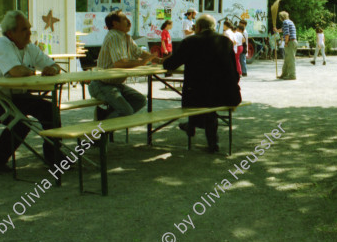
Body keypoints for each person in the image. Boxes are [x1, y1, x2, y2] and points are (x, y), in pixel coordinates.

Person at [0, 10, 63, 172]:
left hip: (17, 96)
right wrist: (32, 71)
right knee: (21, 123)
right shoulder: (2, 44)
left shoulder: (29, 47)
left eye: (29, 28)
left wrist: (52, 69)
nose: (29, 33)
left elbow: (54, 65)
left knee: (49, 110)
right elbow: (16, 71)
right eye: (24, 29)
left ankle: (54, 156)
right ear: (11, 33)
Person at [163, 14, 241, 153]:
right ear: (214, 27)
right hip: (227, 94)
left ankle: (192, 126)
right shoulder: (225, 41)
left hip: (198, 96)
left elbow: (171, 64)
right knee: (209, 102)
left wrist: (162, 61)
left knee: (200, 95)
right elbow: (234, 70)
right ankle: (207, 138)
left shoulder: (190, 41)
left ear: (198, 27)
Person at [89, 10, 160, 124]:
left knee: (140, 100)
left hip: (115, 84)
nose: (129, 22)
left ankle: (105, 116)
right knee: (126, 111)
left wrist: (160, 60)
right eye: (124, 19)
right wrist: (141, 62)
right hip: (101, 84)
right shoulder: (114, 36)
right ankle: (97, 131)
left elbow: (139, 52)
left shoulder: (125, 37)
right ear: (115, 24)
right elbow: (120, 64)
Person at [274, 11, 297, 80]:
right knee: (287, 59)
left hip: (290, 42)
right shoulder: (290, 22)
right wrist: (277, 30)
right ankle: (284, 74)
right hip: (293, 42)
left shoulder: (285, 22)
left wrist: (286, 42)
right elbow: (284, 30)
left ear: (282, 17)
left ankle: (292, 75)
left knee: (290, 60)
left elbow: (287, 33)